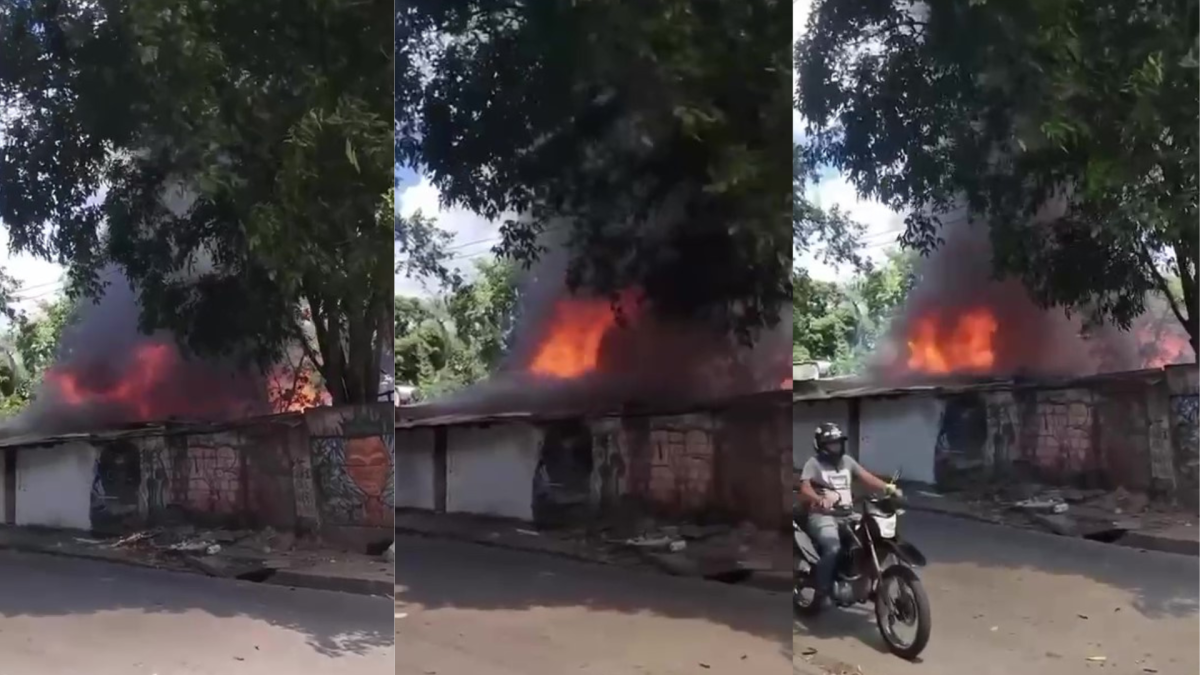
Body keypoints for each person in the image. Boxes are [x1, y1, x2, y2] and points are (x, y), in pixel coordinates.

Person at [796, 422, 900, 604]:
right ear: (820, 446)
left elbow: (865, 477)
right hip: (823, 516)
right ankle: (823, 587)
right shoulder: (813, 463)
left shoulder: (847, 461)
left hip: (849, 514)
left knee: (876, 536)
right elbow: (804, 489)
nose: (835, 447)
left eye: (838, 443)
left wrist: (888, 488)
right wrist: (819, 499)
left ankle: (870, 582)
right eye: (831, 444)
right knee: (833, 547)